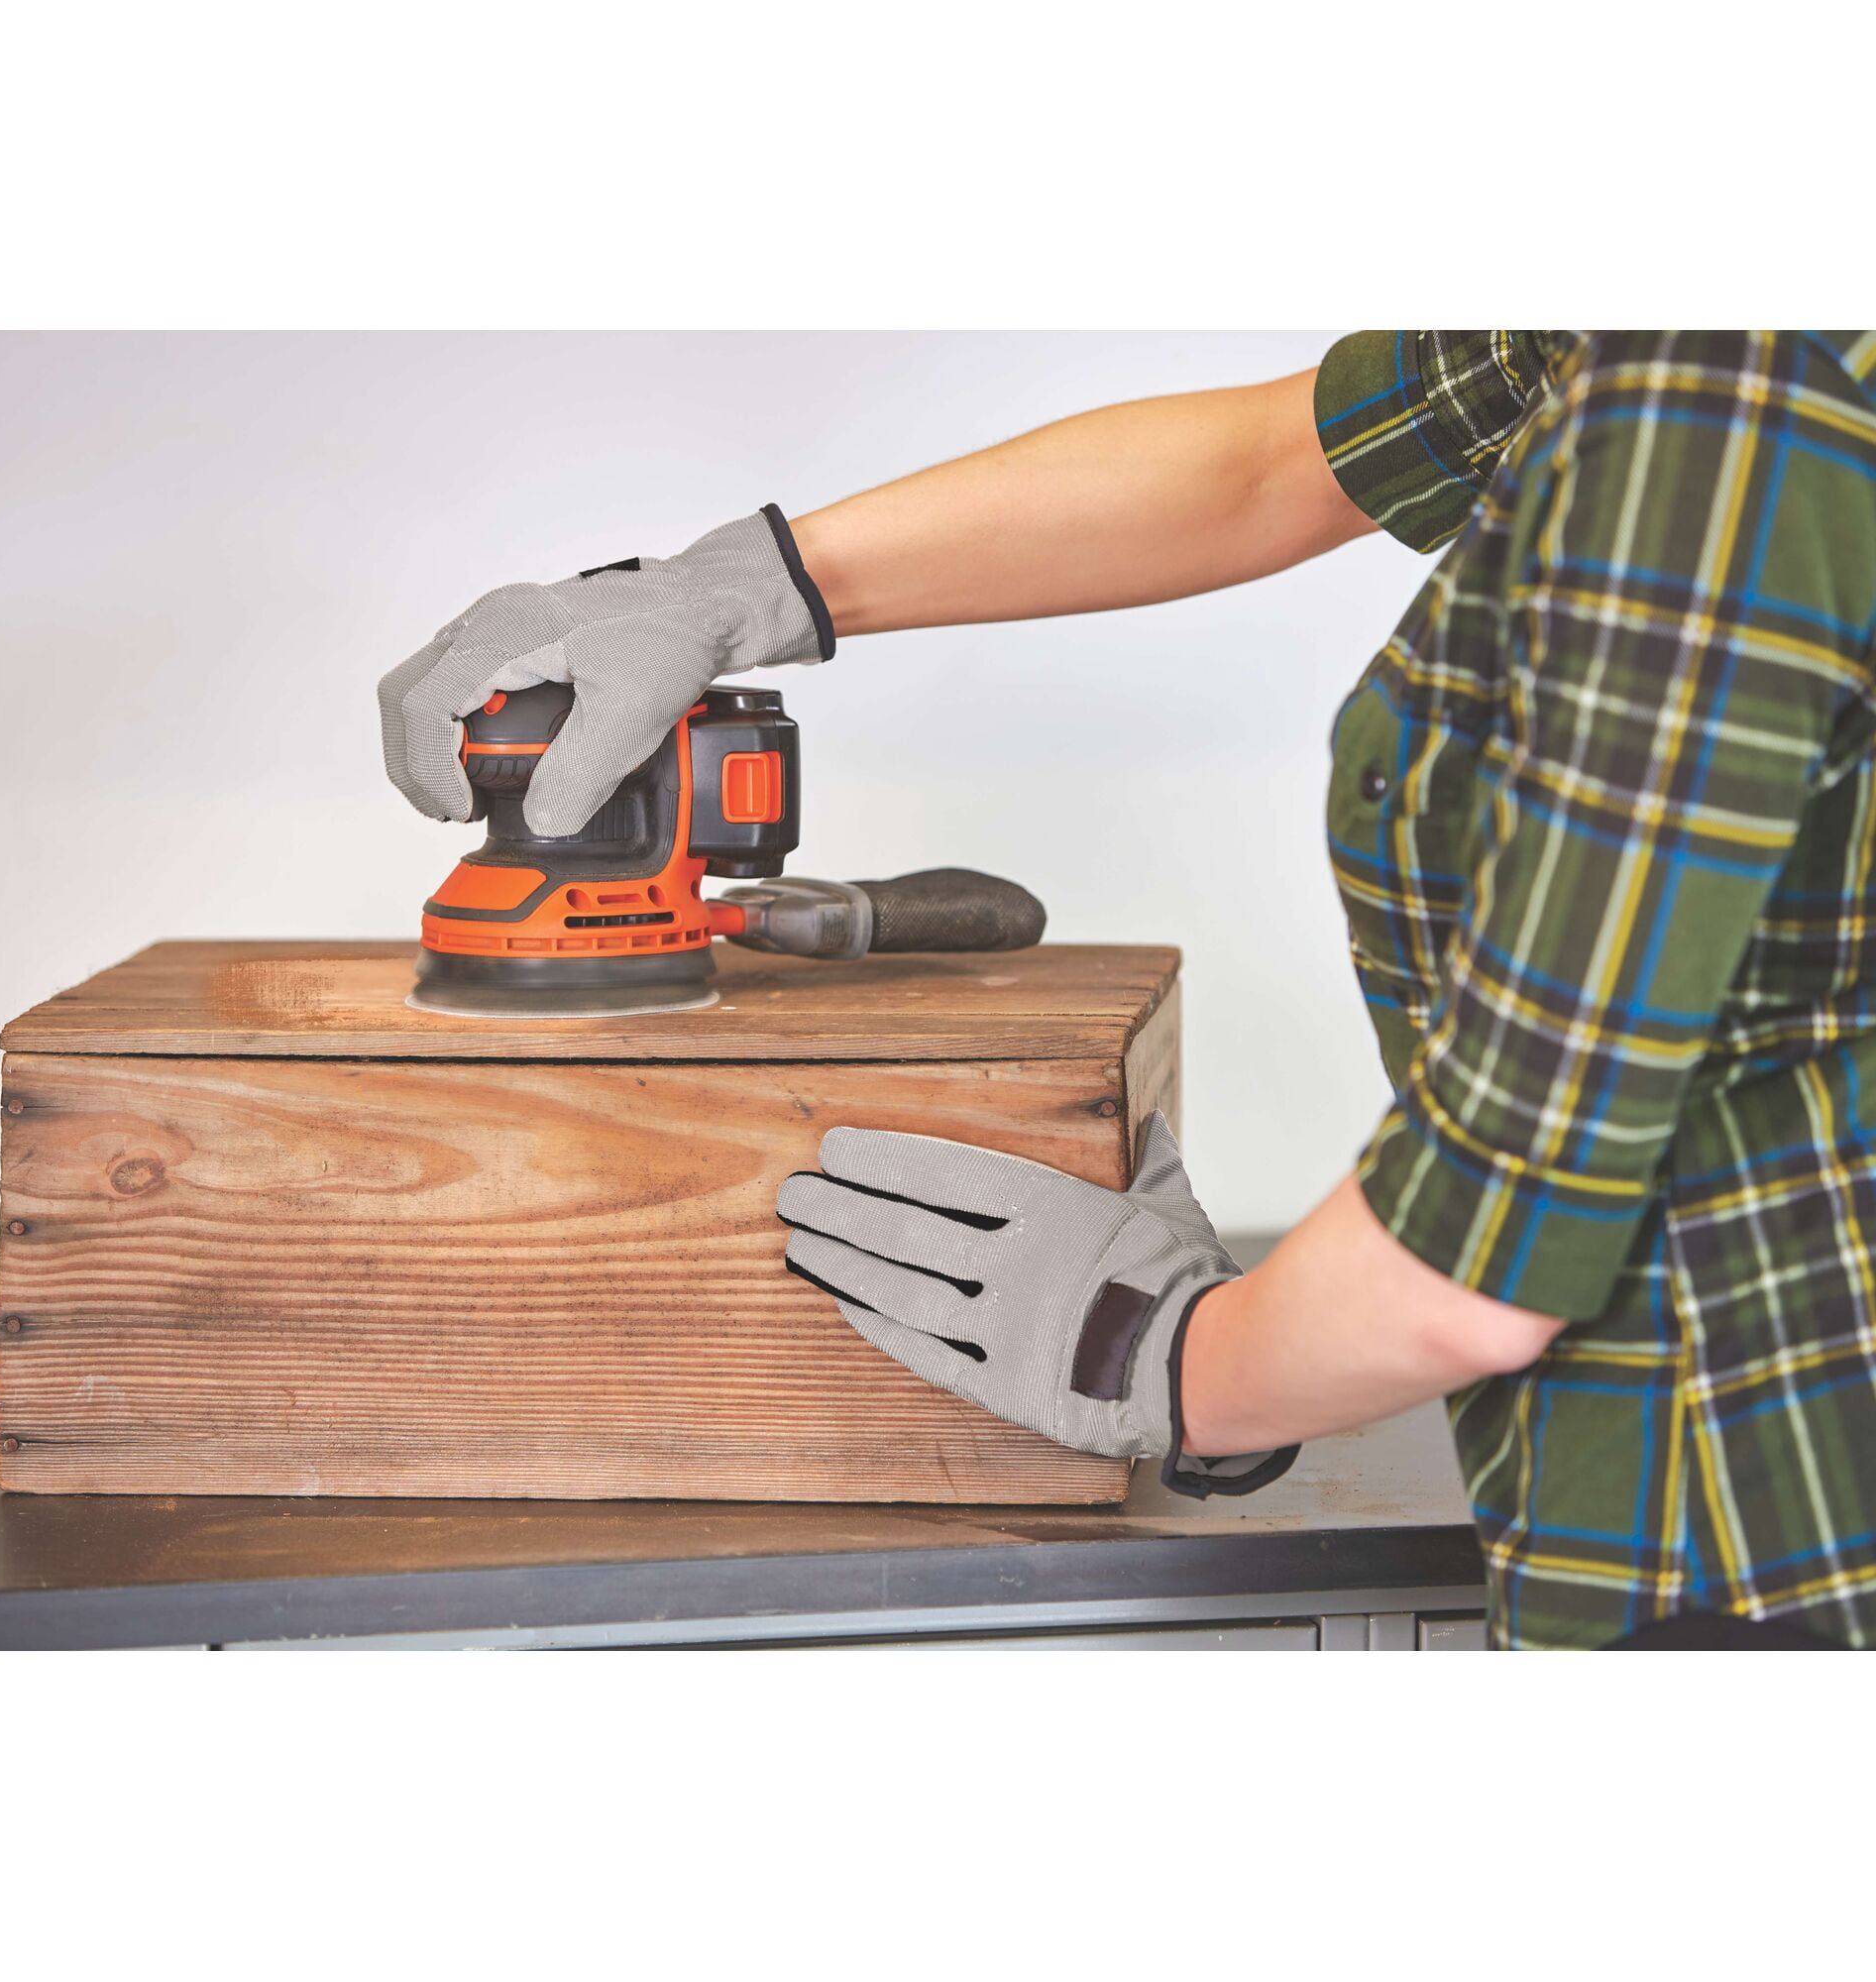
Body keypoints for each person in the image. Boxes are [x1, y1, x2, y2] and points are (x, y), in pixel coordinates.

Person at [379, 331, 1876, 1651]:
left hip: (1752, 1530)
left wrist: (1168, 1363)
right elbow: (1276, 462)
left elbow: (1483, 1258)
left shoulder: (1718, 396)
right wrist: (739, 584)